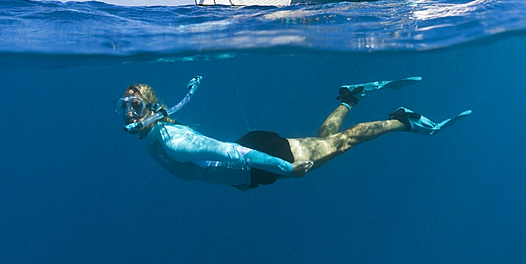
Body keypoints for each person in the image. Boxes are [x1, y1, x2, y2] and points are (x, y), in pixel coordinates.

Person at [118, 76, 470, 190]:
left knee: (341, 143)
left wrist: (284, 168)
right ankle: (350, 98)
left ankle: (402, 121)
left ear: (149, 108)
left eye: (135, 107)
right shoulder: (159, 131)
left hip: (259, 160)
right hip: (257, 152)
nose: (128, 114)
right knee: (325, 140)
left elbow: (230, 153)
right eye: (125, 107)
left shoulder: (173, 140)